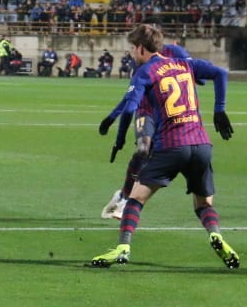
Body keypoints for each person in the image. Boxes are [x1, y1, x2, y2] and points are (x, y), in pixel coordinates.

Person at [89, 24, 238, 269]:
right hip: (201, 144)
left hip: (172, 145)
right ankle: (216, 235)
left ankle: (122, 248)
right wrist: (219, 108)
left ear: (140, 48)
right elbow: (220, 73)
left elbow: (129, 107)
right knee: (204, 203)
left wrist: (119, 139)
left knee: (135, 199)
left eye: (132, 49)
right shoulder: (185, 63)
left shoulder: (146, 71)